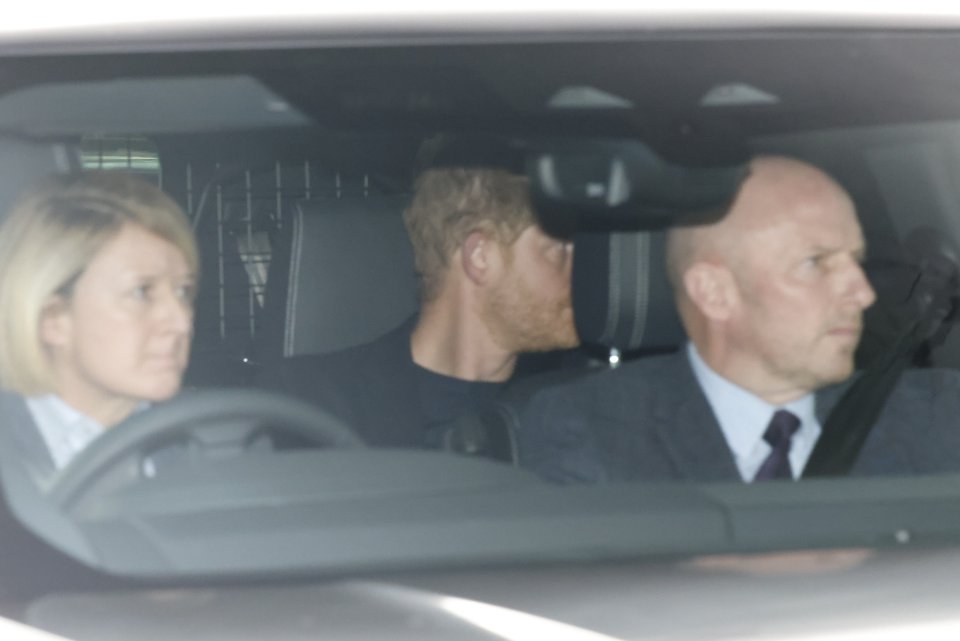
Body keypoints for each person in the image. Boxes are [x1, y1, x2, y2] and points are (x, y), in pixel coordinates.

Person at [519, 155, 960, 483]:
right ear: (714, 293)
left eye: (857, 262)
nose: (863, 294)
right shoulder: (594, 431)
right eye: (815, 263)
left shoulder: (939, 418)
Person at [261, 165, 579, 449]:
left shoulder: (577, 405)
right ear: (480, 256)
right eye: (558, 251)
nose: (580, 271)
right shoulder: (309, 412)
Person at [0, 172, 198, 488]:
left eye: (182, 292)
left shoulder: (220, 441)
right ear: (53, 319)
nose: (182, 321)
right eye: (141, 292)